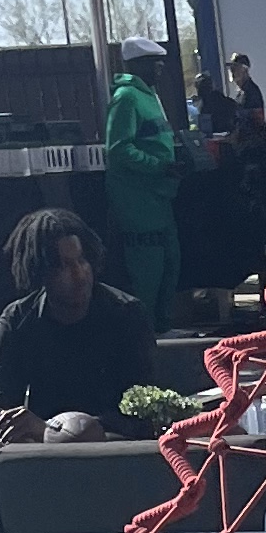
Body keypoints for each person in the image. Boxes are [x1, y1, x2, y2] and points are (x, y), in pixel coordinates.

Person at [0, 209, 156, 438]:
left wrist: (67, 429)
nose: (79, 274)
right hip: (44, 451)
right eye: (63, 266)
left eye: (81, 260)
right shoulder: (17, 320)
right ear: (40, 272)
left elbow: (147, 411)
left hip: (116, 444)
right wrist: (9, 423)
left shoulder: (126, 314)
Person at [103, 47, 186, 333]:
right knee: (147, 269)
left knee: (170, 261)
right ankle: (144, 331)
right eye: (155, 64)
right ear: (139, 65)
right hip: (137, 200)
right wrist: (159, 166)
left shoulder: (149, 96)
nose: (160, 69)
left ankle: (162, 325)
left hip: (159, 195)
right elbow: (118, 149)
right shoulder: (126, 97)